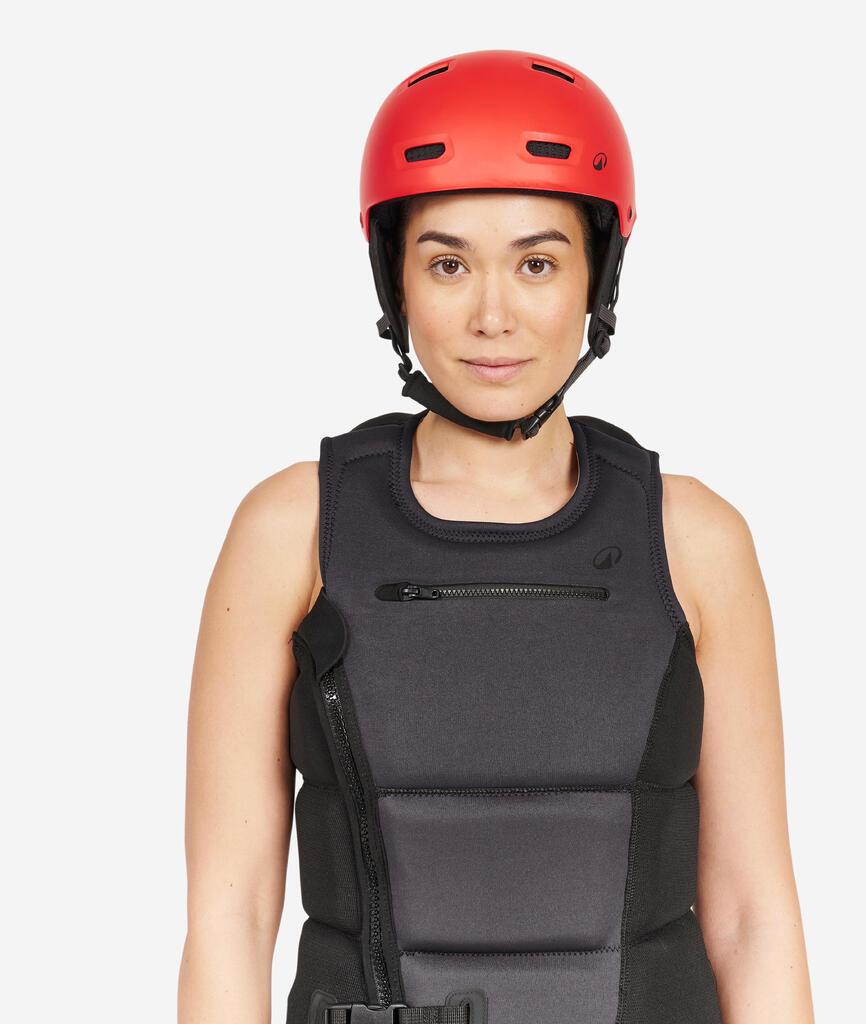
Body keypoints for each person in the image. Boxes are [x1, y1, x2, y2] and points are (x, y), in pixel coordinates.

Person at [178, 49, 815, 1024]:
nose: (492, 314)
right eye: (447, 263)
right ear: (395, 280)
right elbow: (231, 912)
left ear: (596, 276)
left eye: (536, 263)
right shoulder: (292, 531)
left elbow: (751, 917)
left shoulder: (694, 541)